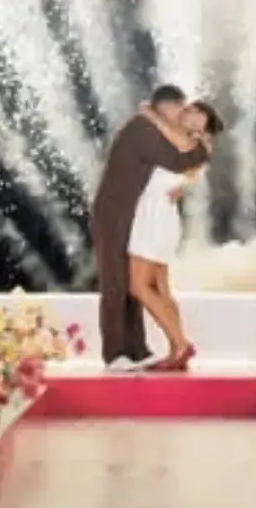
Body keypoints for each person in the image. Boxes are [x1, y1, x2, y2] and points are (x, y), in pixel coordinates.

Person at [90, 83, 213, 372]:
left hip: (138, 215)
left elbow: (175, 166)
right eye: (181, 109)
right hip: (115, 214)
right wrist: (204, 147)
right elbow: (177, 160)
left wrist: (199, 148)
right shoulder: (141, 130)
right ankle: (116, 354)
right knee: (117, 284)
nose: (183, 115)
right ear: (168, 107)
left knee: (135, 285)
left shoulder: (152, 126)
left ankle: (136, 349)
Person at [127, 96, 224, 371]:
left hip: (155, 218)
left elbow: (159, 126)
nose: (190, 116)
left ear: (204, 127)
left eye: (198, 116)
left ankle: (180, 343)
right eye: (190, 111)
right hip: (159, 216)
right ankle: (176, 349)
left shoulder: (191, 143)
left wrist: (151, 114)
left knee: (138, 286)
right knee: (160, 288)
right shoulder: (192, 146)